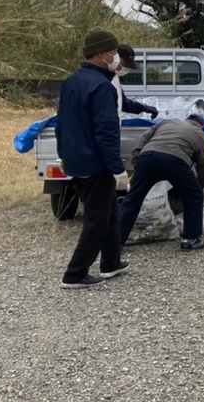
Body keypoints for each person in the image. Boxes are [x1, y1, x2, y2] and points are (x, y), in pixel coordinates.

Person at [56, 28, 130, 289]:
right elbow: (106, 132)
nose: (116, 57)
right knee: (97, 220)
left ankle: (111, 262)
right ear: (100, 54)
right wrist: (117, 168)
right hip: (96, 162)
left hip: (77, 157)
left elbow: (61, 123)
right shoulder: (102, 87)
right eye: (113, 52)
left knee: (110, 211)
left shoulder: (72, 81)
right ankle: (75, 273)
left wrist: (63, 154)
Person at [118, 114, 204, 251]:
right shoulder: (200, 135)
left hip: (148, 157)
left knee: (132, 199)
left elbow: (140, 140)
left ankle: (115, 242)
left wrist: (137, 164)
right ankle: (191, 239)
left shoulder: (165, 123)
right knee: (194, 196)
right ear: (201, 126)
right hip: (176, 161)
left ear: (186, 120)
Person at [112, 44, 158, 118]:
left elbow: (122, 102)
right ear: (116, 59)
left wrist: (142, 107)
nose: (126, 69)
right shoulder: (103, 80)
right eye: (125, 65)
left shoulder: (115, 79)